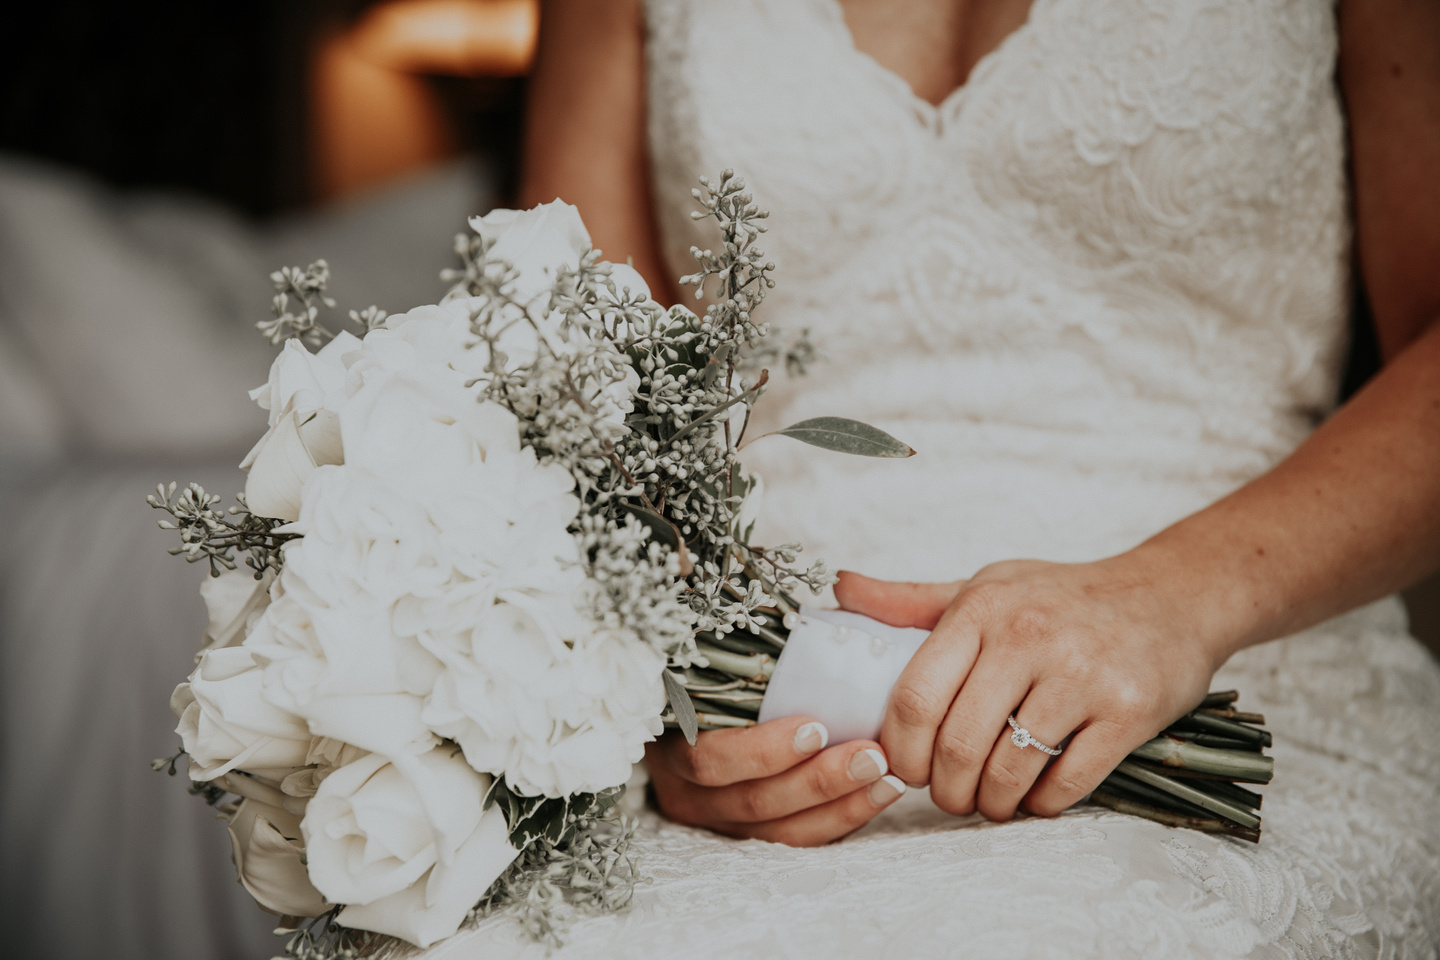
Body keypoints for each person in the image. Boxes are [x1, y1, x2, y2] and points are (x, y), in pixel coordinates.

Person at [489, 0, 1440, 953]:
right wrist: (669, 704)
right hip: (775, 709)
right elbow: (588, 395)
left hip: (1241, 649)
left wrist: (1173, 601)